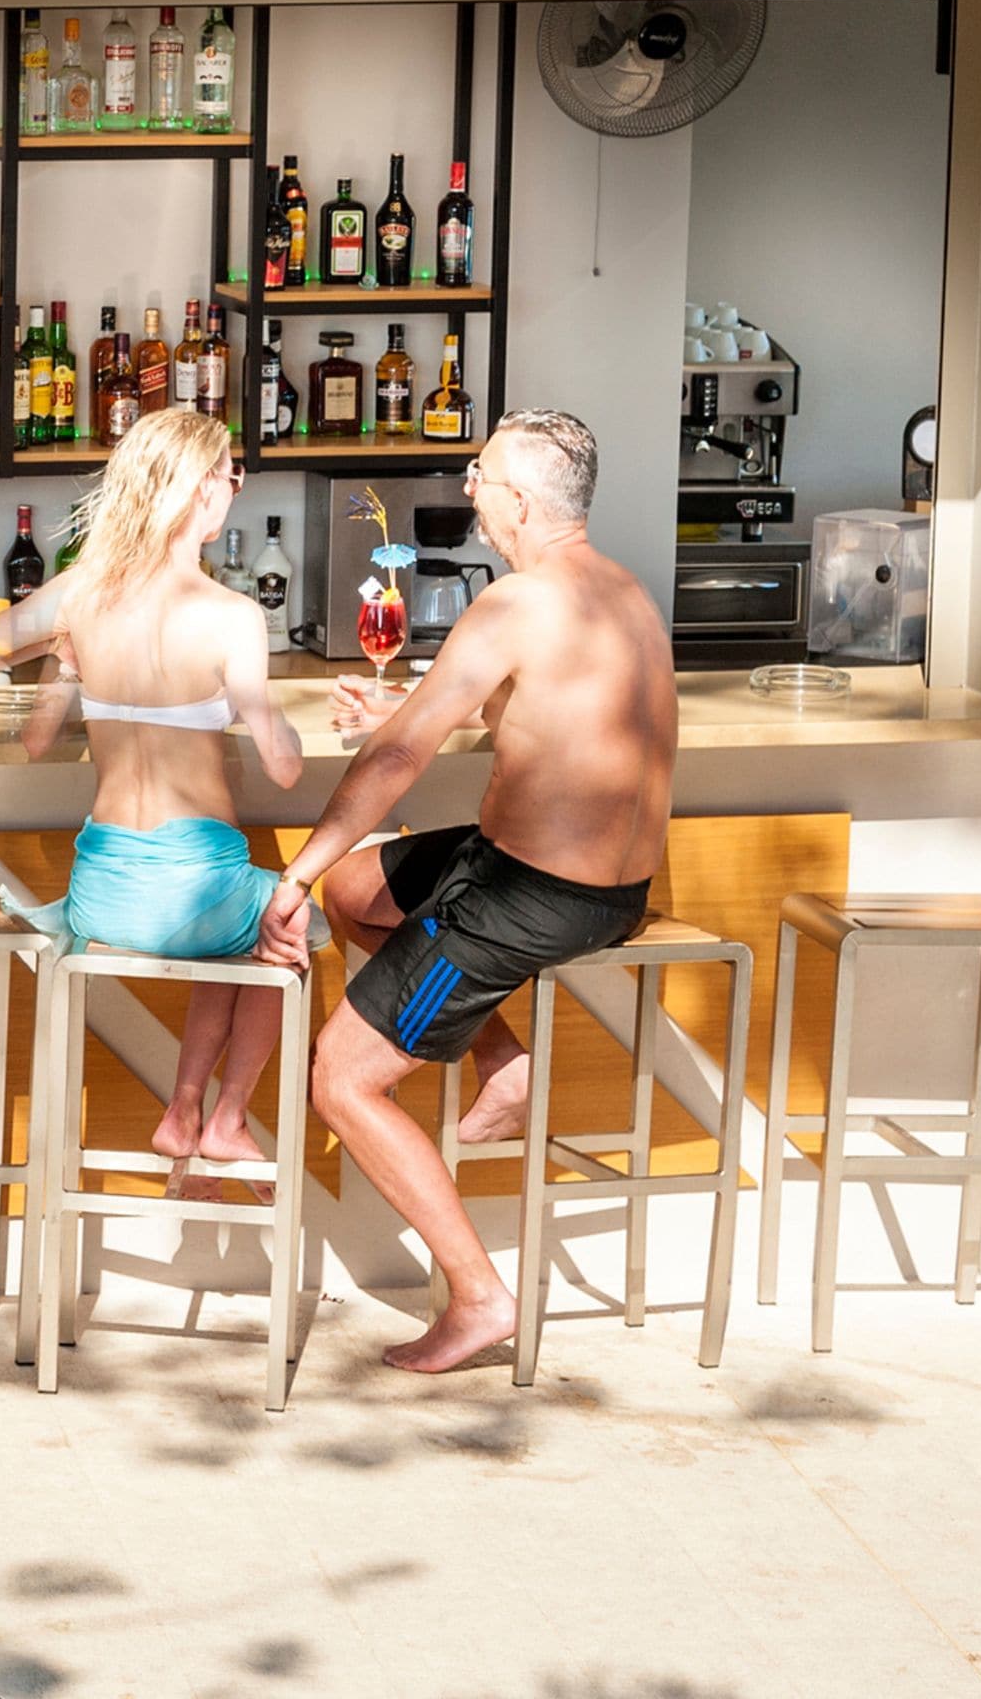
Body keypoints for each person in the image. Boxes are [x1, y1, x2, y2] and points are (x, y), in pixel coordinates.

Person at [256, 408, 676, 1374]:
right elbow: (548, 719)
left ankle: (480, 1298)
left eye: (478, 472)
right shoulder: (620, 592)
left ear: (517, 500)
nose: (468, 485)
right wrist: (413, 711)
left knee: (342, 1078)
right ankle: (505, 1060)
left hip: (530, 896)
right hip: (604, 888)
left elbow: (401, 756)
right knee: (361, 890)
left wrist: (297, 866)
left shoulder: (514, 603)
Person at [0, 408, 307, 1196]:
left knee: (232, 929)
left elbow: (9, 706)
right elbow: (286, 771)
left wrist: (60, 660)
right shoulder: (233, 616)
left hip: (102, 895)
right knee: (281, 929)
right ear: (204, 493)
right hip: (198, 890)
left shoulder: (86, 597)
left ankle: (181, 1111)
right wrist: (267, 708)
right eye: (230, 474)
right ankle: (225, 1116)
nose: (234, 487)